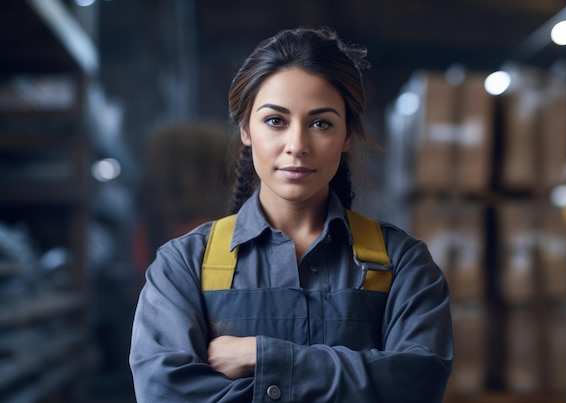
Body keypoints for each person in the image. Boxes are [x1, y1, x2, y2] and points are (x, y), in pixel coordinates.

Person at [129, 27, 454, 402]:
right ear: (246, 130)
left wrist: (262, 355)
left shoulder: (403, 264)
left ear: (347, 134)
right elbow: (165, 393)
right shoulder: (183, 265)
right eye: (275, 121)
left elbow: (418, 382)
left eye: (321, 123)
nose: (297, 145)